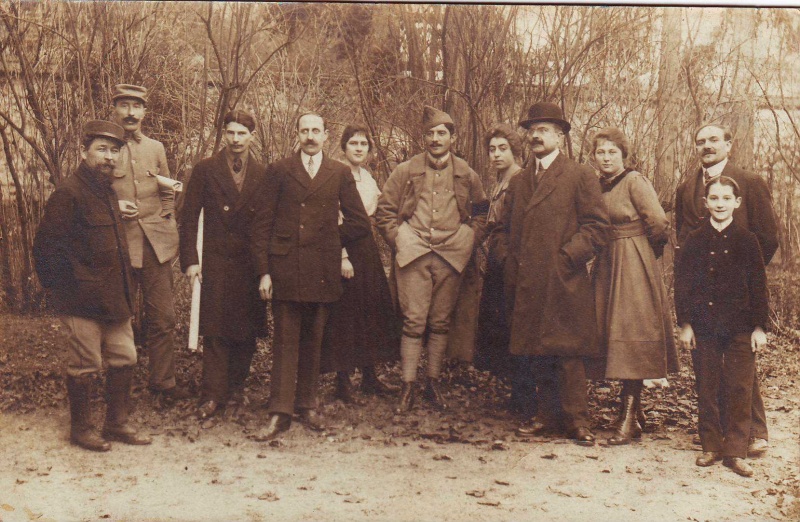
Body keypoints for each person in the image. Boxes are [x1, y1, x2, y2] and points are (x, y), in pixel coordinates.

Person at [491, 102, 609, 446]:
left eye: (543, 130)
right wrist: (507, 259)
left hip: (564, 279)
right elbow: (499, 227)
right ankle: (545, 415)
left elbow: (597, 227)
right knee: (537, 348)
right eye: (531, 131)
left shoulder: (579, 175)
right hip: (527, 279)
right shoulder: (520, 180)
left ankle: (576, 420)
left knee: (568, 351)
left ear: (560, 136)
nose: (535, 136)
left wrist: (567, 258)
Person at [33, 120, 152, 451]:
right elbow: (45, 249)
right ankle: (81, 429)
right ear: (84, 152)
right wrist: (63, 293)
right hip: (81, 299)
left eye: (115, 151)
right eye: (102, 149)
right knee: (86, 364)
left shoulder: (108, 191)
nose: (109, 157)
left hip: (115, 297)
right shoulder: (68, 193)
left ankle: (116, 423)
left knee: (125, 357)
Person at [254, 113, 371, 441]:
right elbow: (262, 223)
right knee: (285, 341)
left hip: (321, 270)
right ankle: (279, 411)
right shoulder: (278, 171)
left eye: (315, 131)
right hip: (285, 269)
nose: (310, 136)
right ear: (297, 134)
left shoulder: (339, 172)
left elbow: (360, 222)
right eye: (304, 130)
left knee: (314, 341)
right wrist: (264, 271)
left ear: (326, 135)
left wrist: (330, 240)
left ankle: (307, 405)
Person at [375, 106, 488, 413]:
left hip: (451, 255)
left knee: (440, 321)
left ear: (453, 137)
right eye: (430, 134)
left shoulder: (467, 173)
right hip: (414, 253)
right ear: (422, 137)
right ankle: (408, 384)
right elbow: (384, 210)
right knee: (413, 320)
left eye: (442, 133)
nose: (436, 139)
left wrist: (469, 239)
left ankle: (432, 383)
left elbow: (481, 213)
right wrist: (398, 237)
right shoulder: (406, 170)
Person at [675, 124, 778, 457]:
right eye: (700, 141)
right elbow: (684, 242)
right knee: (709, 370)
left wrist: (741, 276)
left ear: (729, 144)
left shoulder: (749, 182)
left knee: (740, 370)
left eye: (714, 140)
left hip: (739, 296)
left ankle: (753, 432)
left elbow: (768, 238)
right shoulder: (687, 188)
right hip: (703, 298)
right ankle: (717, 435)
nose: (707, 146)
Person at [587, 127, 679, 445]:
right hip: (606, 259)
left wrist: (643, 257)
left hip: (633, 257)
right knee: (609, 334)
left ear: (623, 155)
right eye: (601, 152)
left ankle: (627, 420)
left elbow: (658, 221)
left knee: (632, 335)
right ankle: (634, 413)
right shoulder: (595, 185)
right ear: (594, 157)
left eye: (613, 151)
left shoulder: (634, 180)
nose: (607, 157)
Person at [179, 110, 269, 420]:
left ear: (251, 137)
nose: (235, 140)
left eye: (242, 134)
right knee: (215, 330)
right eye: (230, 133)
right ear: (223, 134)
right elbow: (188, 217)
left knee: (245, 332)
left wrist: (265, 269)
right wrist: (190, 260)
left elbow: (266, 224)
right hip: (215, 262)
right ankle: (211, 395)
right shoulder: (205, 170)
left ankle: (236, 392)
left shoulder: (262, 173)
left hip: (249, 264)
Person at [109, 84, 187, 401]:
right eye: (124, 106)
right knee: (117, 317)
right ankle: (117, 385)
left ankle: (163, 382)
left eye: (136, 106)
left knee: (164, 318)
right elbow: (93, 195)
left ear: (144, 112)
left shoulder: (155, 148)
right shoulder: (106, 147)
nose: (130, 113)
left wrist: (166, 217)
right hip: (118, 246)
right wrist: (115, 210)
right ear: (115, 109)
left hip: (156, 246)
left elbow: (167, 187)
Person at [319, 124, 400, 403]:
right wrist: (341, 256)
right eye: (353, 143)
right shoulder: (334, 175)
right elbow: (330, 219)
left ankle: (369, 377)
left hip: (366, 250)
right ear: (343, 147)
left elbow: (376, 216)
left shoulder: (367, 178)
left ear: (369, 149)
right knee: (344, 315)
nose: (358, 148)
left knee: (370, 310)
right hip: (341, 248)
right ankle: (342, 381)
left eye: (363, 144)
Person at [472, 124, 536, 418]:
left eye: (502, 149)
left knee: (514, 330)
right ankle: (515, 395)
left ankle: (525, 399)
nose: (496, 154)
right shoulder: (499, 181)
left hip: (512, 263)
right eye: (492, 149)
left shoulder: (520, 179)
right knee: (499, 329)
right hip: (497, 263)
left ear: (515, 151)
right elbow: (489, 222)